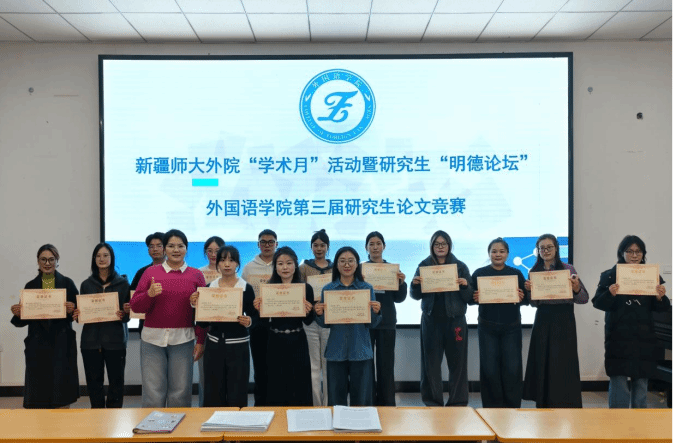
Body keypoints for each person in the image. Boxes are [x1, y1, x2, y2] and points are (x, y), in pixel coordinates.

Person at [130, 229, 206, 407]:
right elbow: (135, 306)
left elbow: (203, 313)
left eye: (180, 246)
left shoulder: (196, 275)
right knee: (153, 393)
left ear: (186, 249)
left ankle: (179, 426)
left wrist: (201, 340)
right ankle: (153, 425)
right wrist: (149, 294)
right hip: (152, 340)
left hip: (183, 340)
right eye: (171, 246)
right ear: (165, 249)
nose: (176, 250)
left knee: (180, 392)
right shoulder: (150, 273)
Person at [592, 235, 670, 409]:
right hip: (618, 337)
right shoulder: (610, 276)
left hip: (644, 337)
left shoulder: (650, 276)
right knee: (619, 381)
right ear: (622, 253)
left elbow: (662, 308)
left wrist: (660, 298)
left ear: (643, 254)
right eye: (630, 251)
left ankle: (639, 420)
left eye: (638, 251)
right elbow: (598, 303)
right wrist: (609, 294)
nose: (634, 255)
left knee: (641, 382)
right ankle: (618, 421)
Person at [523, 234, 589, 408]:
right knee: (543, 360)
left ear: (556, 248)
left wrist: (576, 288)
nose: (545, 251)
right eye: (542, 248)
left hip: (564, 319)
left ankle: (565, 403)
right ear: (538, 251)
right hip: (543, 319)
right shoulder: (534, 272)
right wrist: (529, 291)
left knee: (563, 362)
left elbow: (584, 299)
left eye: (549, 247)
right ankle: (544, 402)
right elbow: (533, 303)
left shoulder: (568, 269)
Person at [10, 244, 79, 408]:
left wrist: (73, 309)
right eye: (43, 259)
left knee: (61, 391)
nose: (47, 263)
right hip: (38, 346)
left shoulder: (68, 283)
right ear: (38, 261)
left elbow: (79, 313)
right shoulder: (30, 286)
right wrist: (18, 314)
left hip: (61, 344)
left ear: (57, 261)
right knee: (38, 393)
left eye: (51, 259)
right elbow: (24, 320)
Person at [410, 230, 473, 407]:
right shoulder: (424, 265)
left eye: (443, 243)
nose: (440, 247)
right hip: (431, 321)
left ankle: (458, 402)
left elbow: (469, 297)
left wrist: (465, 285)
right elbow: (415, 295)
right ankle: (432, 401)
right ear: (432, 246)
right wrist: (414, 285)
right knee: (430, 364)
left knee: (458, 364)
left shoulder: (460, 266)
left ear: (449, 245)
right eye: (436, 244)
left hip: (455, 320)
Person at [315, 246, 382, 406]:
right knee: (336, 399)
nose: (347, 264)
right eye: (342, 261)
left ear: (357, 264)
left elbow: (372, 323)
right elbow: (325, 324)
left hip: (360, 349)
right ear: (336, 264)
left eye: (351, 261)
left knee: (362, 400)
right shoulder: (328, 289)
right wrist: (319, 313)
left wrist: (377, 312)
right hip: (336, 349)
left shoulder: (367, 288)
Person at [191, 245, 257, 407]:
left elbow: (254, 316)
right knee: (213, 391)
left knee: (237, 390)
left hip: (239, 346)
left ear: (238, 264)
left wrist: (248, 321)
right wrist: (196, 305)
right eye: (222, 260)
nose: (227, 264)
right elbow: (202, 323)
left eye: (231, 260)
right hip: (214, 345)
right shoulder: (209, 288)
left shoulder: (246, 288)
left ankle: (236, 422)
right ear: (218, 264)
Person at [254, 246, 315, 406]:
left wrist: (309, 311)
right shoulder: (269, 288)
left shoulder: (305, 288)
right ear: (275, 267)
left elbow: (308, 321)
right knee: (276, 384)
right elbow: (263, 322)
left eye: (289, 263)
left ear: (295, 265)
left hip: (298, 340)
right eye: (280, 264)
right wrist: (259, 310)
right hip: (275, 340)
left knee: (299, 383)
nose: (285, 267)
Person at [470, 238, 527, 408]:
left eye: (501, 251)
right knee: (489, 369)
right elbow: (469, 298)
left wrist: (522, 297)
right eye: (494, 251)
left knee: (513, 368)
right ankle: (491, 408)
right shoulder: (479, 273)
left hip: (512, 327)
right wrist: (474, 297)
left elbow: (526, 299)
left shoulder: (516, 274)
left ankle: (512, 407)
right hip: (487, 327)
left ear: (507, 254)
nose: (498, 254)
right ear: (489, 254)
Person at [74, 242, 131, 408]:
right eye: (98, 256)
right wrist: (77, 315)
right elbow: (82, 314)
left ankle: (114, 416)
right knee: (94, 384)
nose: (102, 259)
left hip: (115, 341)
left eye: (106, 255)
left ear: (112, 258)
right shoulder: (86, 284)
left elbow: (127, 316)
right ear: (94, 259)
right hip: (90, 342)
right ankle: (97, 416)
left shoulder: (123, 284)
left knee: (116, 383)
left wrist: (125, 313)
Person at [364, 231, 407, 406]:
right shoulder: (361, 271)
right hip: (366, 323)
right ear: (366, 248)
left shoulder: (392, 270)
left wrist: (401, 283)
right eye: (371, 244)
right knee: (366, 365)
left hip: (387, 322)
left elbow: (399, 298)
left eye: (378, 244)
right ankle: (368, 402)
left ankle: (387, 404)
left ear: (384, 246)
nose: (375, 247)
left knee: (386, 366)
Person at [241, 229, 277, 406]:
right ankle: (260, 406)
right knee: (260, 368)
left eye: (271, 242)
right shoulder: (248, 268)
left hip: (279, 323)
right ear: (258, 244)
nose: (267, 245)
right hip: (257, 324)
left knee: (278, 367)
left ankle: (279, 405)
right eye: (263, 242)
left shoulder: (282, 264)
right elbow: (243, 296)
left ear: (276, 244)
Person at [299, 229, 332, 406]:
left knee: (328, 366)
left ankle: (327, 405)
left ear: (328, 247)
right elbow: (297, 292)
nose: (319, 249)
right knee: (313, 366)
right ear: (311, 247)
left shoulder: (335, 268)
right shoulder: (303, 268)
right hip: (309, 322)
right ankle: (315, 405)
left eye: (322, 245)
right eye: (315, 245)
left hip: (329, 322)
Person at [195, 235, 225, 407]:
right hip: (204, 328)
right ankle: (204, 408)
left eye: (217, 251)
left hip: (225, 327)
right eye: (210, 251)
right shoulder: (198, 272)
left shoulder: (229, 272)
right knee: (204, 373)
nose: (213, 254)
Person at [130, 232, 165, 334]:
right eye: (151, 246)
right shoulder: (142, 272)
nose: (155, 249)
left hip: (170, 325)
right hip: (146, 326)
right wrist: (128, 305)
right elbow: (132, 296)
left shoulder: (175, 271)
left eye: (159, 246)